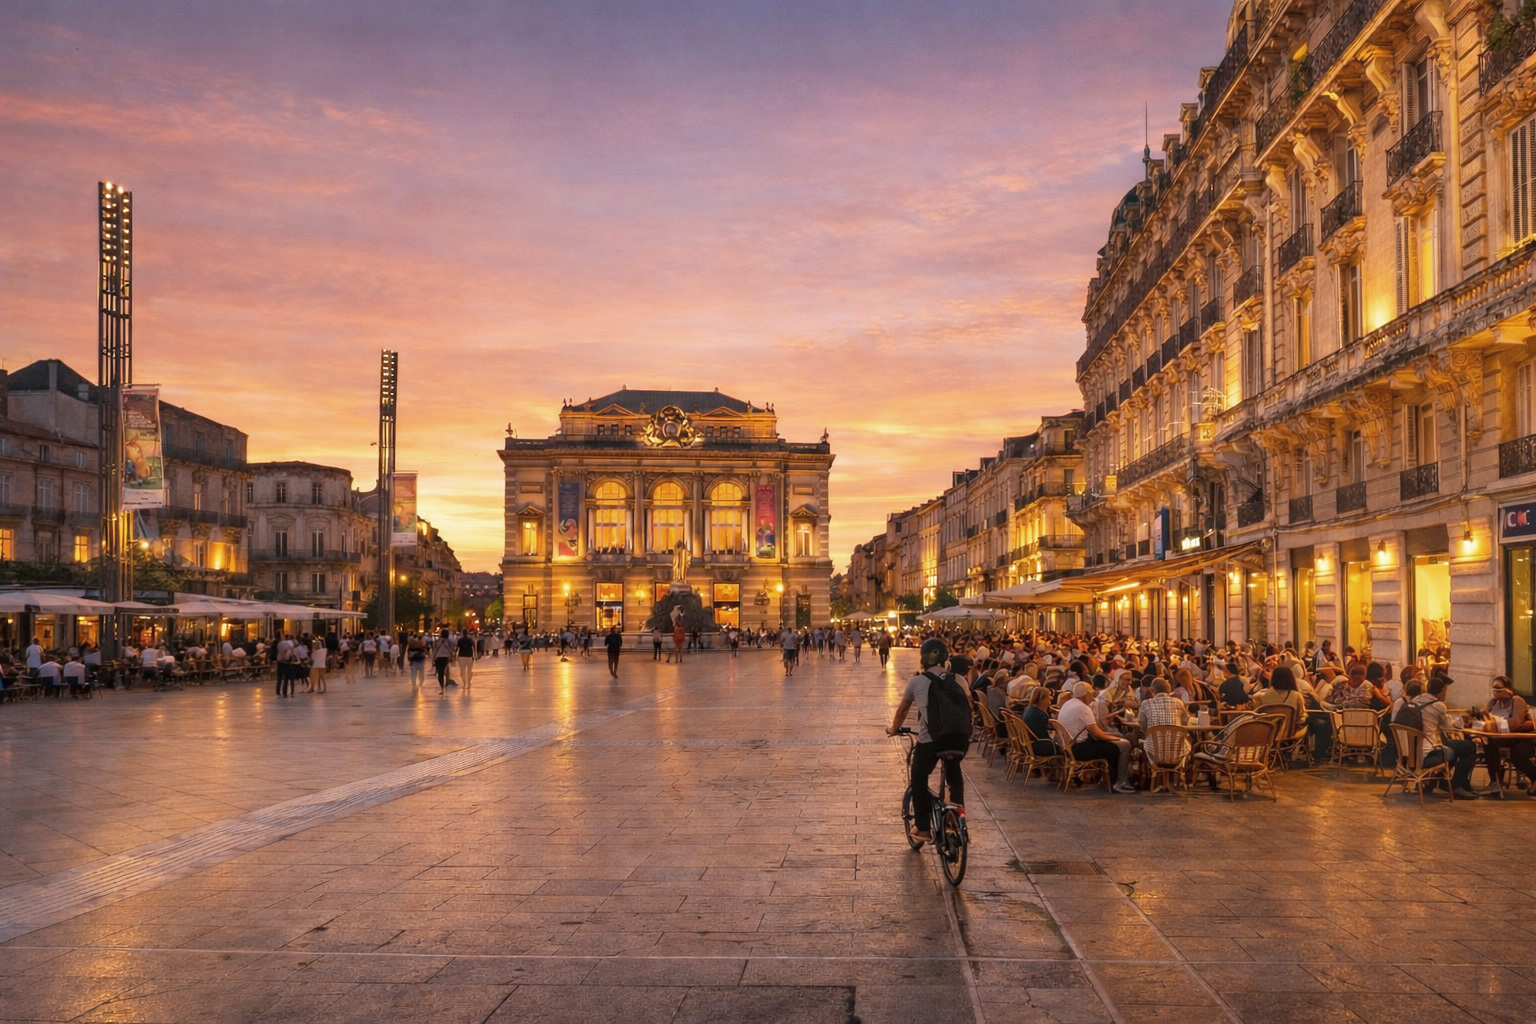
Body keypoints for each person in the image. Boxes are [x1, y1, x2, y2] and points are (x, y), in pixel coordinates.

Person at [886, 638, 968, 842]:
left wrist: (893, 730)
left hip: (931, 741)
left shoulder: (917, 681)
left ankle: (923, 827)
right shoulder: (959, 679)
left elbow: (902, 710)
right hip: (959, 740)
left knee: (919, 777)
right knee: (954, 772)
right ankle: (957, 820)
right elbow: (970, 707)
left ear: (923, 658)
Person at [1397, 675, 1478, 800]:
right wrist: (1459, 721)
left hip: (1407, 755)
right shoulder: (1438, 705)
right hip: (1427, 755)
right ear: (1442, 691)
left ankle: (1434, 783)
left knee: (1451, 746)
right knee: (1469, 747)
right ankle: (1456, 786)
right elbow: (1448, 727)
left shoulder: (1415, 700)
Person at [1060, 680, 1136, 793]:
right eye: (1091, 692)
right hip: (1079, 749)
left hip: (1069, 747)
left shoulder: (1069, 703)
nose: (1094, 694)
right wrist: (1116, 739)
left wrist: (1111, 736)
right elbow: (1097, 734)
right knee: (1125, 745)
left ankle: (1110, 779)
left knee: (1117, 742)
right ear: (1085, 694)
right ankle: (1121, 782)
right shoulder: (1083, 708)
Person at [1483, 675, 1536, 796]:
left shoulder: (1516, 701)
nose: (1495, 691)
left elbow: (1516, 723)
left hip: (1520, 737)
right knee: (1488, 743)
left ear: (1508, 689)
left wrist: (1496, 724)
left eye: (1498, 688)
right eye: (1493, 687)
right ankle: (1495, 781)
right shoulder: (1493, 702)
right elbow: (1486, 719)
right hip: (1502, 736)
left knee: (1517, 756)